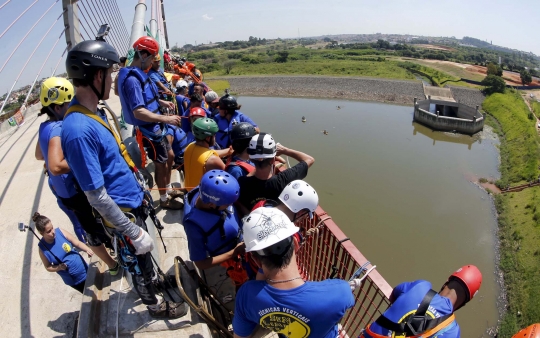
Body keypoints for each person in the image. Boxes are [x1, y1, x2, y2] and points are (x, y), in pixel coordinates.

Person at [61, 38, 186, 318]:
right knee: (138, 262)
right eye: (110, 74)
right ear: (97, 75)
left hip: (130, 199)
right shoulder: (79, 129)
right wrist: (131, 231)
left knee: (144, 260)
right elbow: (96, 195)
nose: (113, 81)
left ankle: (154, 283)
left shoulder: (93, 113)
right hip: (123, 212)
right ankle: (155, 305)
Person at [233, 207, 355, 338]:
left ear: (255, 260)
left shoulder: (246, 296)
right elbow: (349, 301)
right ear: (296, 245)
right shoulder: (339, 292)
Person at [117, 36, 182, 209]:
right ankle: (163, 199)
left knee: (170, 156)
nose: (154, 62)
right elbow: (138, 111)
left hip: (157, 126)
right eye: (153, 57)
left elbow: (147, 101)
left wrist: (161, 103)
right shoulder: (132, 80)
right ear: (144, 54)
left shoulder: (141, 75)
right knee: (161, 164)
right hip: (150, 131)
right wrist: (167, 118)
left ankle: (167, 189)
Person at [360, 265, 483, 337]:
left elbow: (394, 294)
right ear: (464, 303)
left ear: (447, 281)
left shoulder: (421, 286)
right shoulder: (452, 331)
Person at [35, 77, 86, 243]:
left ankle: (91, 247)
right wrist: (82, 161)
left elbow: (39, 155)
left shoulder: (45, 127)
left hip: (58, 189)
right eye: (68, 103)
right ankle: (96, 246)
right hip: (71, 190)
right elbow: (56, 166)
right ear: (57, 108)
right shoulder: (59, 129)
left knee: (76, 221)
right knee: (86, 222)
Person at [237, 133, 315, 214]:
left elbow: (240, 205)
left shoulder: (242, 183)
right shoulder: (284, 179)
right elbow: (309, 159)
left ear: (251, 159)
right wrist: (285, 150)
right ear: (273, 160)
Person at [183, 170, 244, 270]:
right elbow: (201, 264)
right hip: (231, 255)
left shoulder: (208, 191)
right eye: (227, 204)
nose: (230, 205)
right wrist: (235, 252)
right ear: (211, 204)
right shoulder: (193, 226)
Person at [34, 212, 93, 294]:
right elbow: (48, 266)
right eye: (49, 231)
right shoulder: (42, 249)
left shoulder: (60, 232)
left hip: (84, 268)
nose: (53, 232)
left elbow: (77, 243)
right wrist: (58, 267)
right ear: (41, 233)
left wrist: (87, 249)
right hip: (75, 280)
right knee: (89, 295)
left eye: (52, 228)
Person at [183, 118, 224, 191]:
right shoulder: (213, 160)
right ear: (208, 138)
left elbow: (207, 153)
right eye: (214, 135)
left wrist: (229, 151)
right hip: (202, 198)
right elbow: (229, 176)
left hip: (189, 192)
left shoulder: (190, 147)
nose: (215, 137)